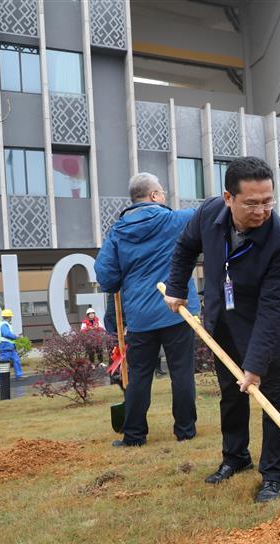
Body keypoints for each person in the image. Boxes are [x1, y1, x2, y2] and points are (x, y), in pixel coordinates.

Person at [165, 156, 280, 503]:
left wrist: (254, 367)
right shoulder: (209, 214)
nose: (262, 210)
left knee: (273, 400)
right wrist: (177, 287)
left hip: (268, 330)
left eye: (268, 200)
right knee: (231, 396)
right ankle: (235, 458)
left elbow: (271, 310)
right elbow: (184, 248)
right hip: (223, 323)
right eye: (252, 203)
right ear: (229, 198)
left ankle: (273, 474)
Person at [95, 172, 200, 448]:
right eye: (162, 192)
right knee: (182, 372)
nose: (164, 196)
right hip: (178, 311)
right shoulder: (176, 220)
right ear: (154, 195)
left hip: (140, 317)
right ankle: (185, 430)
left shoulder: (117, 231)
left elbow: (106, 277)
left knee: (140, 375)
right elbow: (207, 214)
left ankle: (134, 435)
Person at [0, 308, 24, 379]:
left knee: (16, 360)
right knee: (4, 363)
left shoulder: (5, 324)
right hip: (5, 346)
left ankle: (19, 375)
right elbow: (6, 334)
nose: (11, 318)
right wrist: (15, 336)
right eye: (11, 316)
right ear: (9, 317)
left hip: (9, 347)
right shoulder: (4, 324)